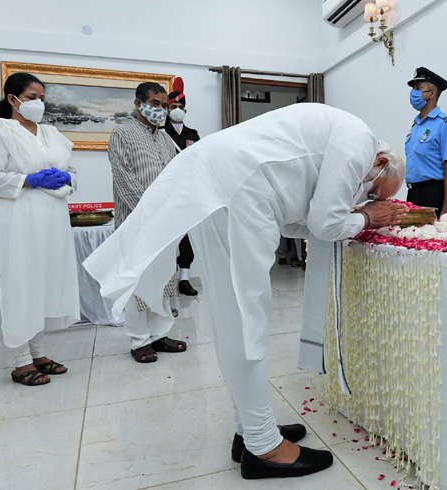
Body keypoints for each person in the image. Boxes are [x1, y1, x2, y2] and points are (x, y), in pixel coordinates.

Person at [84, 103, 408, 480]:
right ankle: (264, 447)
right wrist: (369, 217)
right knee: (243, 317)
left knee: (236, 315)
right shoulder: (360, 140)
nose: (365, 198)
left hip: (231, 188)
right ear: (380, 162)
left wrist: (358, 219)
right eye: (373, 192)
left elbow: (296, 223)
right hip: (235, 191)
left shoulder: (340, 140)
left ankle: (251, 430)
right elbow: (324, 224)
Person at [0, 72, 79, 386]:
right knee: (19, 286)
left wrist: (67, 179)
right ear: (13, 99)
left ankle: (39, 354)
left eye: (42, 98)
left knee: (40, 286)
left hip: (51, 223)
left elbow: (70, 170)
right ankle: (20, 362)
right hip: (15, 223)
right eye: (32, 97)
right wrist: (27, 180)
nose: (38, 103)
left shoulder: (51, 133)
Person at [107, 81, 186, 363]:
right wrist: (149, 211)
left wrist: (171, 210)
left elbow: (175, 178)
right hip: (135, 221)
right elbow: (123, 176)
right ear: (138, 103)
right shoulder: (122, 133)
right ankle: (139, 341)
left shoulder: (166, 140)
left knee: (164, 278)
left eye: (164, 105)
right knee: (138, 282)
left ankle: (159, 334)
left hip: (165, 223)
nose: (161, 110)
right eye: (155, 104)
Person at [405, 67, 447, 217]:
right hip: (413, 193)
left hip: (433, 193)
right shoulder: (416, 126)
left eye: (418, 88)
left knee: (430, 238)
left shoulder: (445, 124)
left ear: (432, 93)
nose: (413, 92)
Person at [164, 77, 200, 296]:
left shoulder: (193, 135)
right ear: (167, 110)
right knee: (167, 239)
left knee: (187, 239)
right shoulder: (160, 134)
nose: (177, 110)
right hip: (166, 192)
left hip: (187, 192)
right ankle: (165, 282)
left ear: (185, 110)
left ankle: (184, 280)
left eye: (180, 107)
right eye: (173, 107)